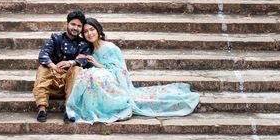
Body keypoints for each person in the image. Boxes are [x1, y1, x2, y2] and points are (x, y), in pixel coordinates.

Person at [65, 17, 199, 124]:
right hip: (101, 81)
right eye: (86, 31)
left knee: (97, 75)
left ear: (98, 30)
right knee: (89, 75)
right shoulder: (87, 50)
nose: (89, 33)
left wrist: (99, 66)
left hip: (114, 81)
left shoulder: (111, 48)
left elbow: (121, 71)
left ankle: (111, 105)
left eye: (92, 29)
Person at [32, 9, 93, 122]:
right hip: (52, 83)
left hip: (70, 84)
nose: (75, 28)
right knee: (43, 67)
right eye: (73, 24)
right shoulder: (56, 38)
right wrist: (54, 67)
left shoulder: (84, 44)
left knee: (77, 68)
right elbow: (43, 54)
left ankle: (68, 109)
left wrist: (71, 62)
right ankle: (42, 108)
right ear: (67, 24)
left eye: (79, 26)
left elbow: (85, 59)